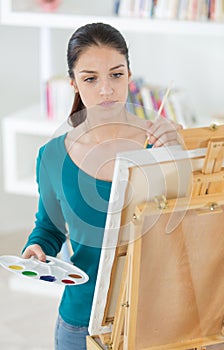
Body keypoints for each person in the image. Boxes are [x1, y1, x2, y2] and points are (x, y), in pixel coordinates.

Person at [22, 22, 182, 350]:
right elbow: (49, 229)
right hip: (81, 321)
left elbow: (191, 229)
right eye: (91, 78)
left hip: (155, 319)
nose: (106, 89)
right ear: (73, 83)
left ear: (129, 75)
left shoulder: (163, 143)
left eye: (116, 74)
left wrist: (181, 155)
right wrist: (37, 250)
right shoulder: (53, 156)